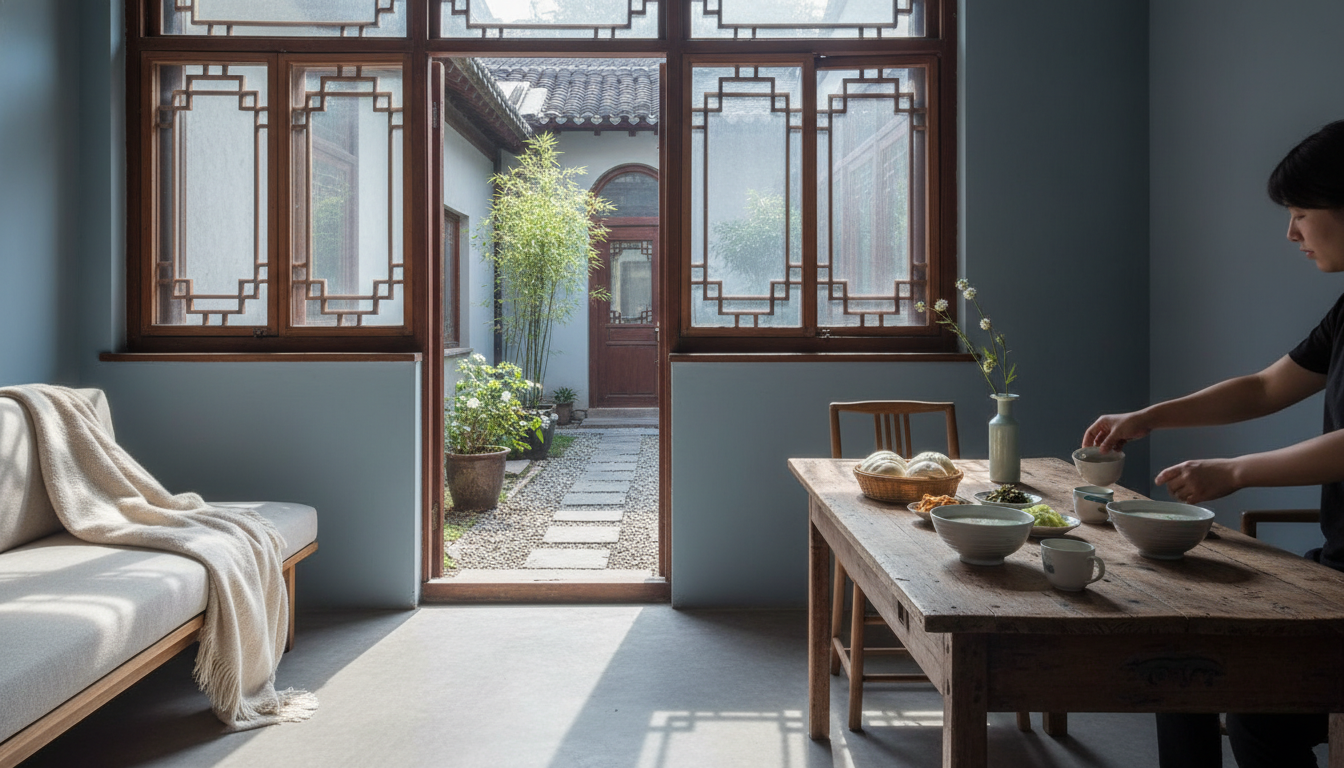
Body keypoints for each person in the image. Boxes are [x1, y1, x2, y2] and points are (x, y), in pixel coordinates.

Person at [1082, 119, 1344, 768]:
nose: (1291, 234)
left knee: (1253, 706)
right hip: (1335, 566)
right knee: (1181, 662)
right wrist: (1149, 416)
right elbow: (1262, 388)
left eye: (1302, 214)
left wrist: (1237, 472)